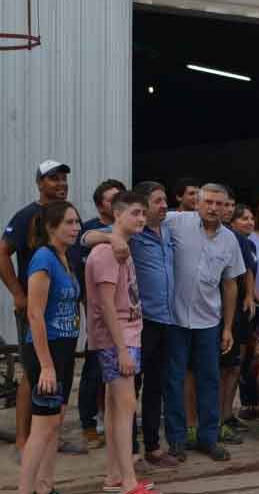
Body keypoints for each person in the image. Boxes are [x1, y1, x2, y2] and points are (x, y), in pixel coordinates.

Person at [82, 181, 181, 468]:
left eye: (165, 201)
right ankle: (131, 454)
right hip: (138, 322)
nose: (162, 206)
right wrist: (110, 238)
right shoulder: (129, 236)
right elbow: (85, 237)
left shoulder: (169, 230)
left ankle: (152, 446)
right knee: (128, 391)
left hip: (165, 319)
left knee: (156, 386)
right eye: (157, 201)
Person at [0, 160, 82, 464]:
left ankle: (50, 437)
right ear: (39, 183)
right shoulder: (26, 216)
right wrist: (18, 294)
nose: (60, 184)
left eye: (63, 179)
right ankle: (24, 441)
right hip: (35, 309)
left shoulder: (67, 216)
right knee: (33, 374)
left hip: (62, 312)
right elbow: (2, 253)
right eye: (53, 179)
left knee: (57, 374)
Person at [163, 183, 246, 461]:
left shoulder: (230, 239)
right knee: (174, 380)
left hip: (208, 321)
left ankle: (208, 438)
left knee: (209, 381)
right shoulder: (176, 222)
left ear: (228, 207)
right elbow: (140, 221)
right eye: (209, 202)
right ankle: (176, 440)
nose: (214, 208)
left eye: (221, 204)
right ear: (197, 202)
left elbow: (231, 284)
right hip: (174, 318)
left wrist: (227, 327)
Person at [85, 192, 160, 494]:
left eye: (144, 213)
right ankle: (128, 481)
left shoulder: (120, 247)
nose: (141, 218)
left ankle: (115, 475)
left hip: (127, 335)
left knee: (118, 407)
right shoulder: (107, 252)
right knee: (125, 407)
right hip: (118, 339)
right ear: (117, 214)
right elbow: (104, 305)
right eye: (135, 213)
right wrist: (120, 350)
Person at [18, 201, 81, 494]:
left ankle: (45, 486)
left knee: (55, 423)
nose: (76, 228)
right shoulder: (43, 258)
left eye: (77, 222)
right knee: (42, 428)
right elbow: (34, 314)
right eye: (69, 222)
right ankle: (25, 490)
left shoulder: (65, 258)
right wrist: (46, 365)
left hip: (65, 349)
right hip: (47, 351)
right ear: (50, 227)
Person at [79, 178, 126, 451]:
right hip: (99, 312)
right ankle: (88, 423)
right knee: (94, 368)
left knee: (122, 371)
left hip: (126, 314)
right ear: (100, 206)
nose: (118, 201)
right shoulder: (89, 230)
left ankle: (116, 418)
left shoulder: (131, 227)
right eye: (112, 199)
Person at [219, 194, 257, 443]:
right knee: (223, 366)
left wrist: (251, 296)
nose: (250, 222)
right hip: (222, 311)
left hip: (243, 311)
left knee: (236, 366)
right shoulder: (226, 239)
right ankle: (216, 417)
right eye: (243, 218)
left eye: (251, 218)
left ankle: (227, 414)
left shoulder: (247, 244)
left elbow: (249, 271)